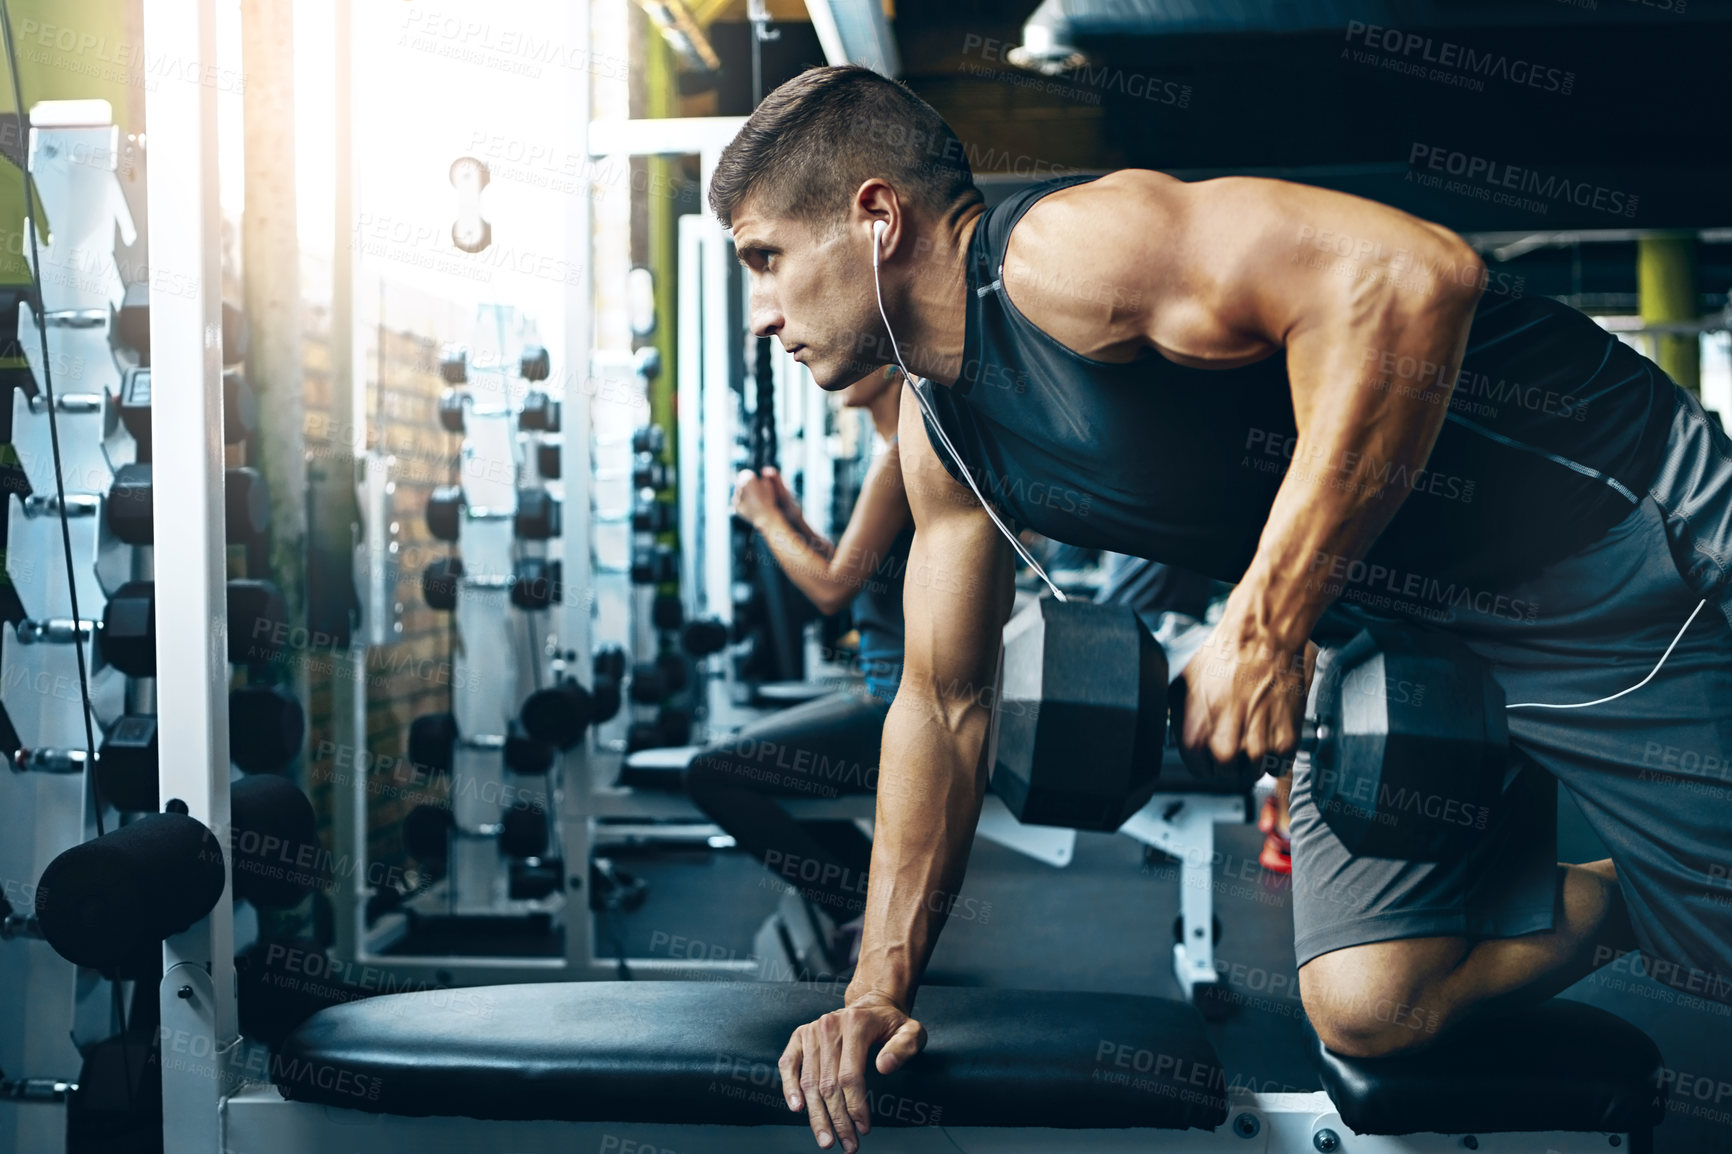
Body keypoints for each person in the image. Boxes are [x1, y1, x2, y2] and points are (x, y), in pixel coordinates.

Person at [708, 65, 1732, 1152]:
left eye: (765, 258)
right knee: (1376, 1000)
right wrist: (876, 984)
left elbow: (1410, 277)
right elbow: (943, 701)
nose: (763, 312)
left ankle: (1691, 897)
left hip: (1604, 550)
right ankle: (1655, 892)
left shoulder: (1063, 255)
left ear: (875, 215)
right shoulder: (944, 437)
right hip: (1400, 625)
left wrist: (1263, 621)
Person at [681, 366, 912, 970]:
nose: (830, 371)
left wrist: (766, 521)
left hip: (902, 708)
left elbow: (833, 592)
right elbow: (856, 567)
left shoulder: (899, 457)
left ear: (891, 364)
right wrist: (795, 520)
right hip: (891, 693)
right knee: (736, 757)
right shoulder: (896, 447)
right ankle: (877, 900)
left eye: (852, 356)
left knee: (713, 773)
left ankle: (858, 910)